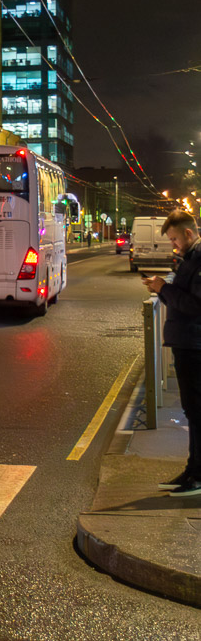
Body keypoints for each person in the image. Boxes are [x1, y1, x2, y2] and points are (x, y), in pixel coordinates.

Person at [142, 209, 201, 496]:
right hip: (187, 343)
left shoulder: (199, 258)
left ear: (188, 233)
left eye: (175, 238)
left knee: (197, 411)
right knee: (193, 411)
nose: (173, 245)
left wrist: (163, 287)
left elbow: (195, 306)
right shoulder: (191, 258)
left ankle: (198, 476)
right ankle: (192, 470)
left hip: (195, 345)